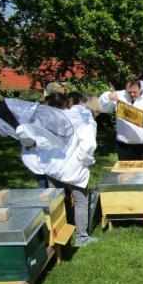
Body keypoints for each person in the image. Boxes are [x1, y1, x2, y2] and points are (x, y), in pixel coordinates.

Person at [40, 92, 99, 247]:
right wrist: (84, 161)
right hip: (73, 168)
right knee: (80, 201)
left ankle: (57, 235)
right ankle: (81, 237)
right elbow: (89, 145)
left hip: (53, 167)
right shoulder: (84, 119)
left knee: (57, 202)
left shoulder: (54, 117)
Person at [99, 79, 143, 161]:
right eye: (129, 92)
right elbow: (101, 107)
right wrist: (107, 96)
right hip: (124, 146)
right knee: (126, 173)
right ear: (126, 89)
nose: (132, 94)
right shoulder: (119, 95)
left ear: (140, 89)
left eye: (135, 92)